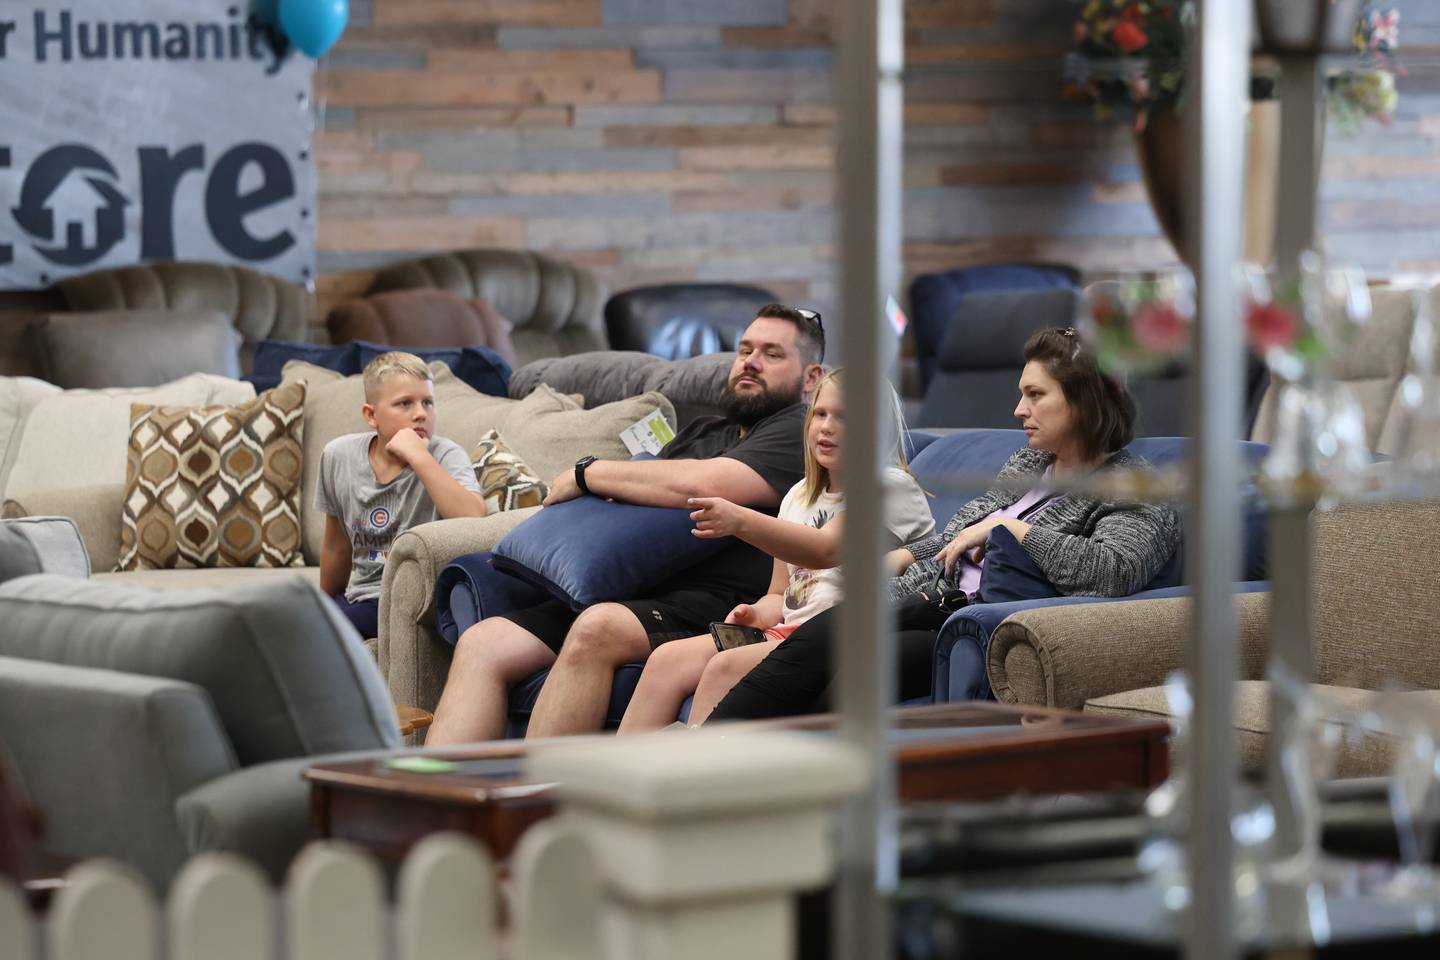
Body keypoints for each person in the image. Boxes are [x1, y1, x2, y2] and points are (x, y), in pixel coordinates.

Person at [704, 326, 1182, 722]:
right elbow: (958, 536)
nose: (1019, 411)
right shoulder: (1029, 463)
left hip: (976, 620)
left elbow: (1113, 571)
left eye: (1035, 395)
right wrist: (907, 555)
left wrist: (1012, 532)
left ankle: (762, 776)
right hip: (928, 601)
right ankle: (721, 765)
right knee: (829, 638)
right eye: (1022, 395)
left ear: (1085, 400)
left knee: (853, 657)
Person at [425, 305, 827, 744]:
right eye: (744, 350)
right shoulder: (705, 431)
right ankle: (442, 801)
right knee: (485, 642)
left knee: (599, 628)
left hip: (719, 603)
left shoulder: (799, 432)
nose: (750, 362)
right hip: (642, 585)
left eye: (772, 354)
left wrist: (587, 473)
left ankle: (542, 801)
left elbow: (704, 484)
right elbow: (636, 496)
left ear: (811, 377)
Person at [616, 369, 934, 734]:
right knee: (666, 658)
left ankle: (696, 783)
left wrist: (740, 520)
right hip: (787, 632)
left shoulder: (891, 487)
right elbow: (781, 594)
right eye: (820, 414)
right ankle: (621, 783)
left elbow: (826, 549)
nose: (826, 427)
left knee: (725, 666)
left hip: (839, 637)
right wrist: (754, 614)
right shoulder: (798, 496)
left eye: (844, 417)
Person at [316, 351, 487, 639]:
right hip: (362, 596)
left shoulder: (445, 456)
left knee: (324, 632)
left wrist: (419, 457)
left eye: (428, 402)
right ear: (371, 415)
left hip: (414, 597)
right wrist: (321, 605)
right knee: (293, 620)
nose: (421, 413)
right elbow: (336, 547)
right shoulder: (338, 456)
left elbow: (473, 518)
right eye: (404, 403)